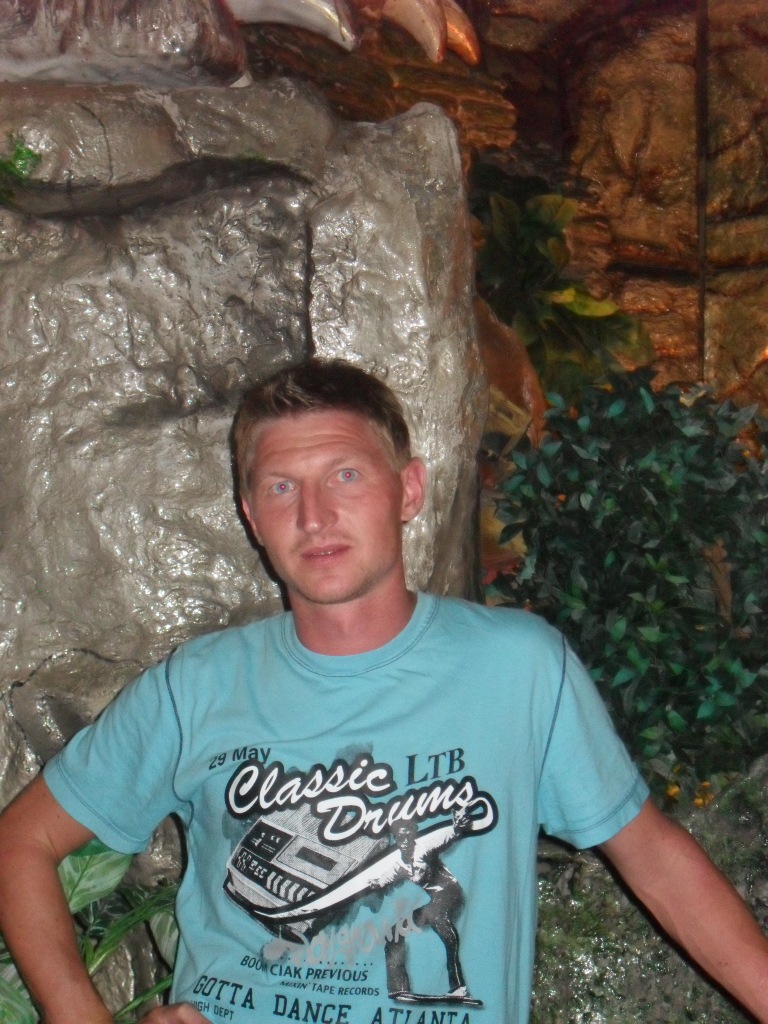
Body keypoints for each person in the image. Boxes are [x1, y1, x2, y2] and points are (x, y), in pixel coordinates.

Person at [0, 358, 767, 1024]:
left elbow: (651, 855)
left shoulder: (519, 668)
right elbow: (21, 843)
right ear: (252, 517)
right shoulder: (196, 685)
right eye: (281, 487)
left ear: (408, 489)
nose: (314, 516)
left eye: (345, 475)